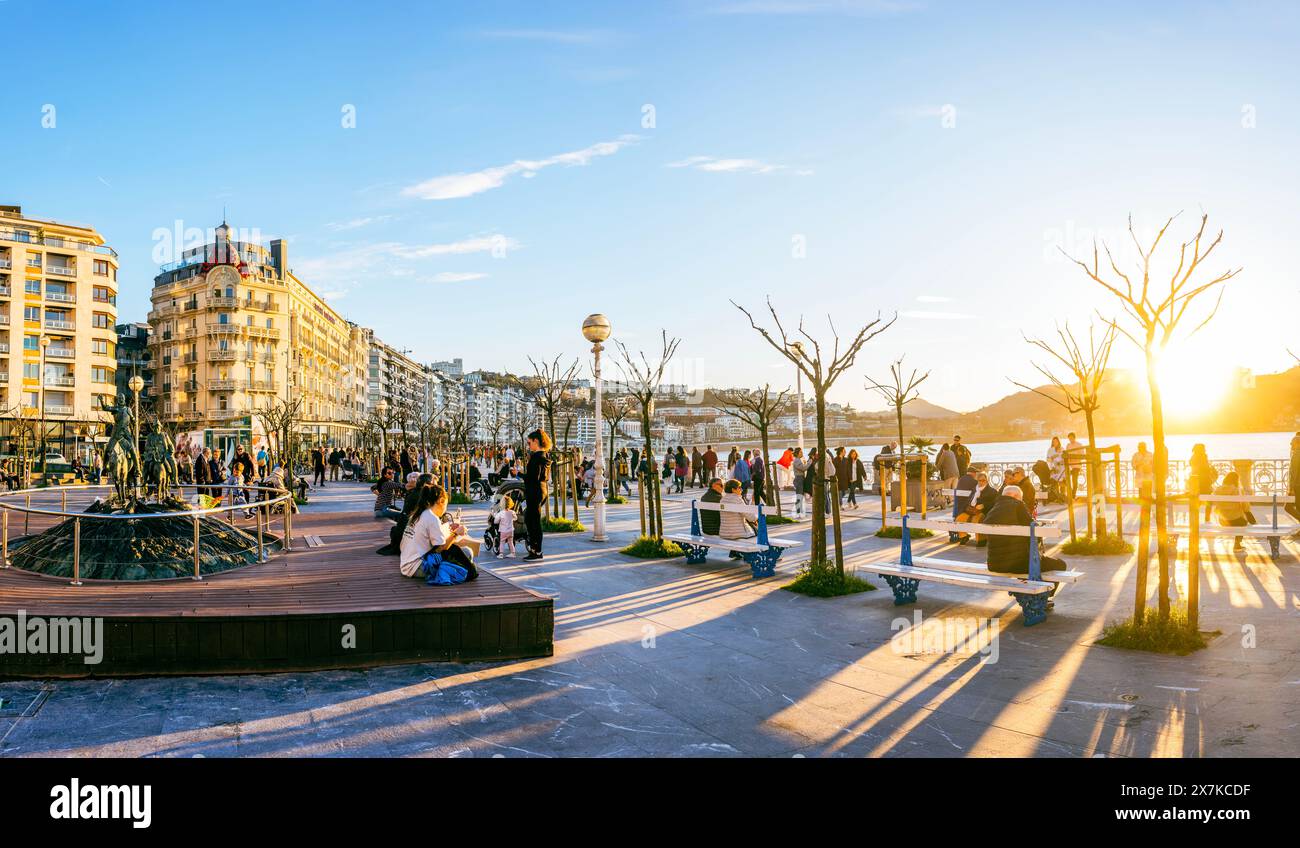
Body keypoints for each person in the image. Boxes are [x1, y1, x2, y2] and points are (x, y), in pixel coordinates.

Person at [984, 485, 1069, 578]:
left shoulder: (993, 509)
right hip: (1018, 564)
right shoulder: (1017, 505)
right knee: (1060, 564)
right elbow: (1034, 529)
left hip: (994, 564)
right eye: (1021, 499)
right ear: (1016, 496)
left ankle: (1023, 591)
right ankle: (1046, 591)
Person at [398, 483, 477, 582]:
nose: (445, 509)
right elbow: (441, 548)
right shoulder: (432, 517)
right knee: (467, 552)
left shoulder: (417, 514)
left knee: (460, 553)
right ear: (441, 501)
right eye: (446, 505)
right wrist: (456, 534)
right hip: (418, 567)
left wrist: (449, 529)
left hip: (405, 565)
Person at [376, 472, 431, 555]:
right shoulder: (388, 483)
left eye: (416, 477)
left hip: (400, 516)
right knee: (399, 515)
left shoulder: (412, 491)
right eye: (389, 473)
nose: (413, 479)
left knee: (400, 515)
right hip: (383, 510)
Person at [523, 428, 552, 561]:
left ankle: (536, 551)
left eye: (529, 443)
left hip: (534, 491)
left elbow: (531, 478)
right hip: (543, 490)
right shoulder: (545, 455)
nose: (528, 446)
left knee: (533, 521)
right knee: (531, 518)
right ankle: (535, 549)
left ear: (536, 441)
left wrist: (518, 474)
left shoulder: (536, 457)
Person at [1214, 470, 1255, 552]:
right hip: (1236, 520)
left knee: (1241, 520)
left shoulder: (1217, 490)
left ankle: (1237, 544)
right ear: (1236, 480)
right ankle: (1237, 544)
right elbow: (1245, 506)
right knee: (1243, 522)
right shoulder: (1237, 490)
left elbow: (1214, 505)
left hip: (1222, 521)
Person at [719, 479, 756, 559]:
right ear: (733, 489)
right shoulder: (737, 499)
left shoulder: (723, 499)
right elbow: (751, 518)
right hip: (737, 533)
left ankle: (735, 552)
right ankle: (753, 555)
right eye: (739, 487)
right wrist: (756, 518)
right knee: (757, 532)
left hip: (724, 532)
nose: (741, 489)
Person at [1189, 443, 1217, 522]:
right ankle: (1206, 519)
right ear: (1201, 450)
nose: (1205, 450)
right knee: (1208, 500)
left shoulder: (1193, 458)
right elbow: (1203, 469)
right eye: (1204, 449)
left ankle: (1195, 518)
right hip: (1203, 482)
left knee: (1198, 500)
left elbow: (1195, 469)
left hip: (1197, 482)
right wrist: (1210, 469)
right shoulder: (1202, 457)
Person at [1287, 433, 1300, 526]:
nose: (1291, 444)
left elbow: (1293, 473)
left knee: (1288, 507)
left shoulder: (1296, 455)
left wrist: (1291, 489)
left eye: (1292, 443)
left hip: (1296, 487)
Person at [791, 447, 807, 517]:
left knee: (801, 496)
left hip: (801, 478)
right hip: (799, 479)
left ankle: (800, 511)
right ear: (797, 453)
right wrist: (809, 462)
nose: (802, 453)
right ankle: (798, 512)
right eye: (801, 452)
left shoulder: (799, 459)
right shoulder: (797, 460)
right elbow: (803, 468)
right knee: (799, 496)